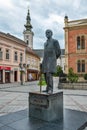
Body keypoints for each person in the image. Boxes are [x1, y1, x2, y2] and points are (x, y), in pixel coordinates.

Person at [42, 29, 61, 94]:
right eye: (46, 33)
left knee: (49, 74)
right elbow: (45, 53)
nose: (47, 33)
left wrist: (54, 58)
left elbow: (58, 52)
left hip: (51, 61)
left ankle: (50, 89)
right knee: (45, 75)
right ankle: (47, 88)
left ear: (51, 33)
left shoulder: (55, 41)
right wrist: (43, 62)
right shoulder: (45, 43)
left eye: (48, 32)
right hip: (45, 61)